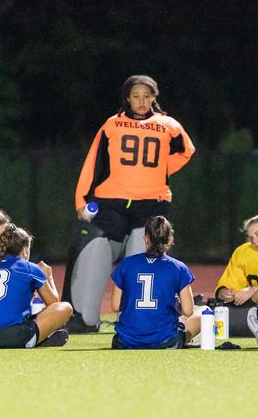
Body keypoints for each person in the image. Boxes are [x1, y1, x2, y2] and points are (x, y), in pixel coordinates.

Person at [64, 75, 195, 332]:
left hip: (151, 203)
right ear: (127, 98)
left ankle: (138, 319)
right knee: (94, 245)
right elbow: (94, 162)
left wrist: (162, 170)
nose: (141, 101)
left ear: (154, 98)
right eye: (136, 96)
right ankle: (83, 318)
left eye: (147, 96)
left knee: (143, 257)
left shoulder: (168, 124)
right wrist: (81, 199)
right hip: (111, 201)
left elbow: (186, 151)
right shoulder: (112, 124)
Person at [0, 224, 72, 348]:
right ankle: (34, 340)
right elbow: (54, 303)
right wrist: (48, 276)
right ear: (25, 250)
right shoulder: (30, 268)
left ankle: (36, 338)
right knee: (66, 307)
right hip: (12, 337)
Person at [110, 216, 201, 349]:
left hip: (126, 341)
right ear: (170, 239)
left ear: (146, 238)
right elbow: (188, 311)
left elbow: (115, 306)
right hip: (164, 341)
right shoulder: (179, 267)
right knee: (204, 312)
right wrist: (173, 303)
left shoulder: (126, 264)